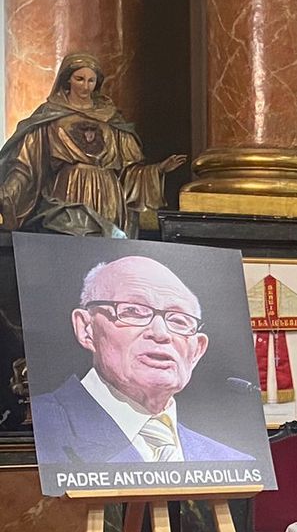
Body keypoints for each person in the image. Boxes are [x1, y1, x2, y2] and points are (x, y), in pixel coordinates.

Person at [31, 256, 252, 465]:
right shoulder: (40, 427)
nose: (160, 333)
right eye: (134, 312)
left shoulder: (232, 462)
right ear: (87, 328)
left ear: (197, 351)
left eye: (179, 320)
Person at [0, 53, 185, 237]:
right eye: (79, 79)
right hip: (68, 191)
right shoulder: (50, 117)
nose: (85, 86)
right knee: (70, 242)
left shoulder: (111, 119)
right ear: (67, 80)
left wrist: (158, 170)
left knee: (104, 251)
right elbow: (26, 164)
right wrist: (8, 193)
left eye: (91, 80)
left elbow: (129, 170)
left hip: (108, 195)